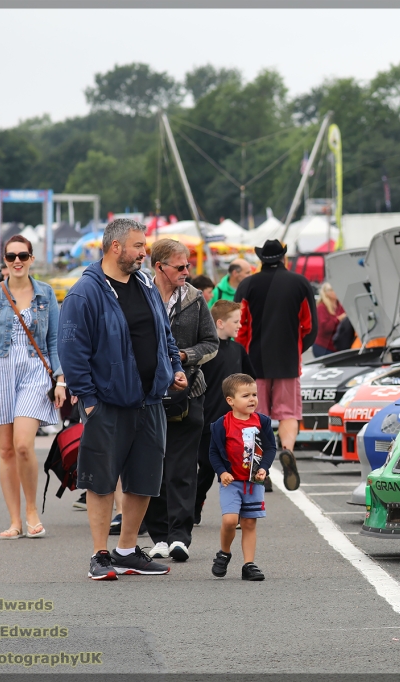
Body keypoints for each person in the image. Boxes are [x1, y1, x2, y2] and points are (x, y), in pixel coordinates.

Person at [58, 218, 187, 580]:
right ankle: (100, 555)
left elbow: (164, 334)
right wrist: (89, 400)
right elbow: (71, 351)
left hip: (150, 399)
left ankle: (127, 550)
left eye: (144, 246)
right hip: (107, 404)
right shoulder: (85, 292)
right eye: (139, 246)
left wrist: (173, 368)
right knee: (100, 480)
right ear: (116, 248)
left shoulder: (145, 285)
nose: (144, 253)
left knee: (145, 477)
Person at [0, 235, 66, 540]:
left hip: (35, 369)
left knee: (23, 444)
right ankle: (15, 520)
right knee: (6, 450)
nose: (17, 261)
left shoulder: (46, 293)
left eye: (23, 255)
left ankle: (32, 510)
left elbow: (55, 342)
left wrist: (60, 380)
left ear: (32, 258)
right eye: (11, 257)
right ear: (5, 261)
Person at [142, 238, 218, 562]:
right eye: (180, 266)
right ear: (159, 267)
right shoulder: (139, 294)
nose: (187, 272)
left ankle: (180, 537)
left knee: (183, 468)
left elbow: (212, 343)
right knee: (151, 465)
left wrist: (185, 357)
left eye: (188, 265)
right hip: (147, 394)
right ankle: (158, 535)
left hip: (190, 392)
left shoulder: (195, 298)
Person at [234, 239, 315, 491]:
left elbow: (240, 325)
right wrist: (298, 347)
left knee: (255, 416)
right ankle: (288, 450)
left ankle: (260, 470)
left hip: (253, 363)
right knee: (289, 413)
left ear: (260, 260)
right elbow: (310, 326)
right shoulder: (300, 283)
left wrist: (240, 356)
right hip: (288, 360)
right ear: (283, 258)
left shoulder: (247, 285)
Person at [208, 373, 276, 581]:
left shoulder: (261, 422)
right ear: (231, 401)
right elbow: (213, 452)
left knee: (249, 523)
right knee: (229, 521)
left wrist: (264, 467)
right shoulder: (221, 425)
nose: (252, 399)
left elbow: (271, 447)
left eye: (254, 394)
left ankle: (249, 564)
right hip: (231, 482)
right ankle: (224, 552)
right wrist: (222, 472)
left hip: (253, 482)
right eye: (245, 395)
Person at [195, 300, 257, 526]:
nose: (240, 325)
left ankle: (238, 511)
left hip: (236, 422)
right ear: (220, 323)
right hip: (208, 420)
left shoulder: (238, 350)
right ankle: (194, 504)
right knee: (207, 467)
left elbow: (250, 378)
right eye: (236, 321)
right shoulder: (207, 351)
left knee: (237, 467)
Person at [312, 282, 346, 357]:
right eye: (333, 290)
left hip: (337, 346)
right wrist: (339, 319)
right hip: (324, 347)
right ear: (326, 293)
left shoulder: (340, 306)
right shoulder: (321, 308)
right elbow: (325, 328)